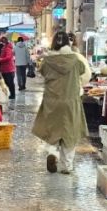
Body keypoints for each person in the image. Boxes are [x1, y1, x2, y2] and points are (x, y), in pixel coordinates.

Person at [32, 30, 91, 174]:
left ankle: (52, 152)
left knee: (52, 130)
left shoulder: (47, 60)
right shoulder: (76, 59)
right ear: (68, 43)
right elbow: (85, 73)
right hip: (71, 100)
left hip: (51, 101)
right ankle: (67, 166)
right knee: (70, 133)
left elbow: (42, 72)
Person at [0, 34, 16, 99]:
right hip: (4, 68)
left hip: (8, 68)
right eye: (2, 40)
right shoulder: (4, 47)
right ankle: (12, 94)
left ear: (6, 40)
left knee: (10, 82)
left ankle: (13, 95)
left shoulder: (8, 48)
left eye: (3, 40)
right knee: (7, 82)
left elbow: (8, 58)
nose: (2, 41)